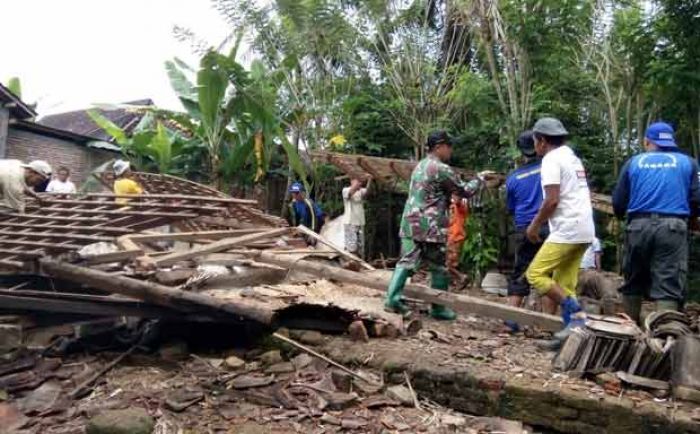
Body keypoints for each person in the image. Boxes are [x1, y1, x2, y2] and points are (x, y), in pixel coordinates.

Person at [384, 131, 484, 320]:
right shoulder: (440, 168)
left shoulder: (420, 166)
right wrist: (479, 179)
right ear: (439, 147)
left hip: (410, 223)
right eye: (449, 147)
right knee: (439, 267)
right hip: (430, 226)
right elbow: (464, 191)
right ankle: (439, 308)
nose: (450, 151)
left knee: (406, 262)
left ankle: (392, 299)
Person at [612, 121, 700, 322]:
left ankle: (627, 334)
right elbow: (697, 198)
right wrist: (692, 219)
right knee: (668, 284)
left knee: (633, 281)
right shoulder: (688, 162)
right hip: (673, 227)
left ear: (646, 142)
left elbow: (618, 201)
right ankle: (664, 337)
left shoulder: (634, 162)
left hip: (637, 225)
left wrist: (620, 217)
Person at [525, 117, 594, 334]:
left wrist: (534, 225)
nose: (535, 145)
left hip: (568, 229)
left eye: (535, 141)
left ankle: (576, 314)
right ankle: (572, 334)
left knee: (535, 274)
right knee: (565, 284)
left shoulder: (551, 160)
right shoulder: (572, 158)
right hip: (584, 229)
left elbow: (552, 200)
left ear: (542, 141)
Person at [342, 177, 371, 258]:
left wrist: (369, 180)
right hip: (350, 221)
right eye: (357, 181)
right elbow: (350, 194)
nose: (359, 183)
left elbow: (367, 192)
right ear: (351, 181)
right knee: (352, 245)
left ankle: (359, 262)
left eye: (360, 182)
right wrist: (356, 184)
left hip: (360, 221)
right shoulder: (345, 190)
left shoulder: (361, 191)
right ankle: (351, 260)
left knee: (360, 245)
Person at [446, 193, 469, 286]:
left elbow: (458, 202)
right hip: (449, 237)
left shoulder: (460, 207)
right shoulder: (450, 207)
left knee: (447, 264)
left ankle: (461, 277)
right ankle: (455, 281)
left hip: (455, 238)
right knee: (448, 263)